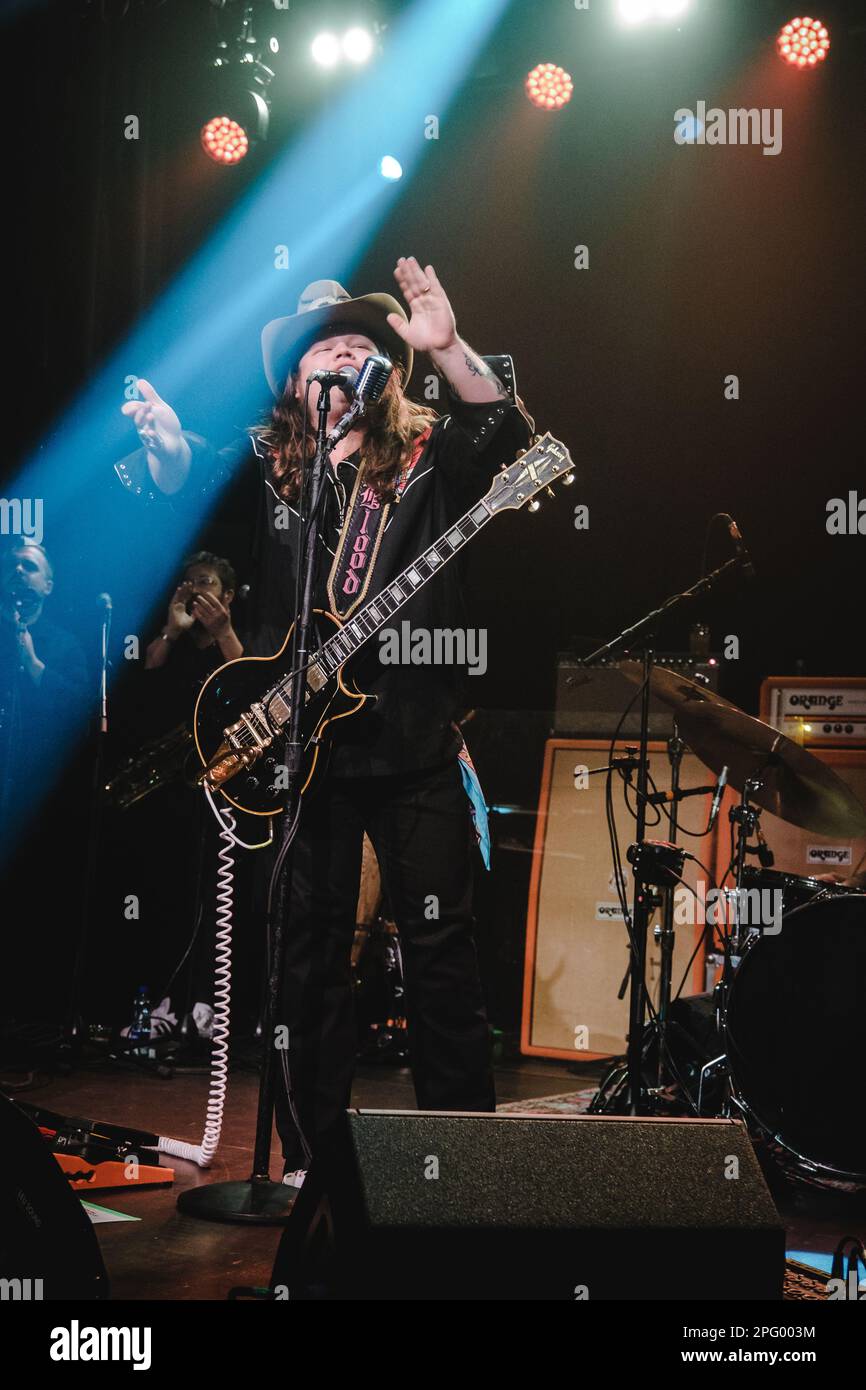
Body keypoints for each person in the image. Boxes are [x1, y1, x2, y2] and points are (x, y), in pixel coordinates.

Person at [117, 256, 533, 1183]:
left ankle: (463, 1162)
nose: (339, 359)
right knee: (304, 961)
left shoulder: (429, 458)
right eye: (321, 352)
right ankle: (314, 1162)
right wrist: (167, 449)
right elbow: (193, 494)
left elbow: (503, 431)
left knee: (440, 952)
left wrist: (451, 345)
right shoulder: (270, 470)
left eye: (360, 347)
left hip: (414, 740)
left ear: (388, 373)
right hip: (302, 756)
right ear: (293, 385)